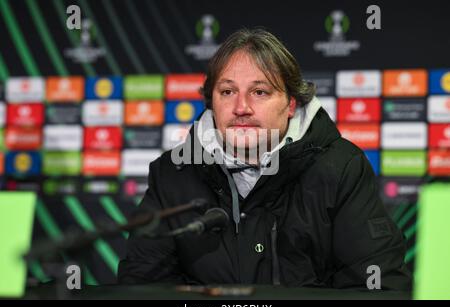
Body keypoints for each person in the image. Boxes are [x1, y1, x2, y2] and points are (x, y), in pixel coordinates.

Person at [118, 28, 411, 289]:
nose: (241, 107)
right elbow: (141, 287)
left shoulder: (342, 168)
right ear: (212, 102)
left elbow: (379, 286)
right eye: (227, 91)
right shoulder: (174, 172)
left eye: (260, 92)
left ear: (291, 105)